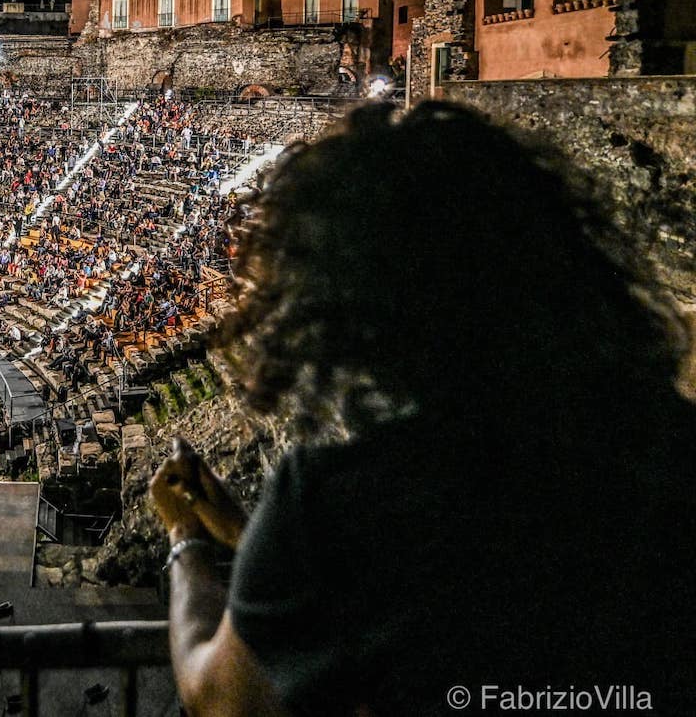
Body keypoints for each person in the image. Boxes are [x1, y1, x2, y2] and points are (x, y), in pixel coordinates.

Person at [151, 102, 696, 716]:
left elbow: (221, 699)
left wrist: (187, 543)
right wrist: (250, 540)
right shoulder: (672, 450)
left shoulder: (342, 499)